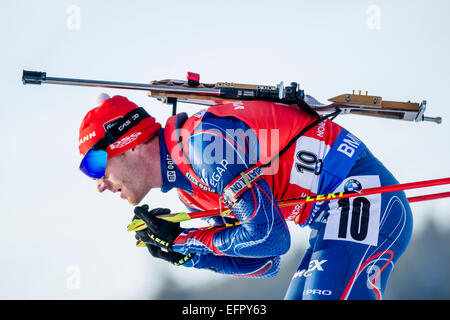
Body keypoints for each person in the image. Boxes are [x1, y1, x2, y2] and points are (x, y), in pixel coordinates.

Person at [78, 94, 413, 300]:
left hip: (365, 200)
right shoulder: (190, 190)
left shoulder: (203, 147)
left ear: (130, 142)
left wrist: (189, 239)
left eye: (95, 165)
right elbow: (265, 262)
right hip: (331, 219)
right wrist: (185, 252)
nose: (99, 184)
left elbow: (272, 237)